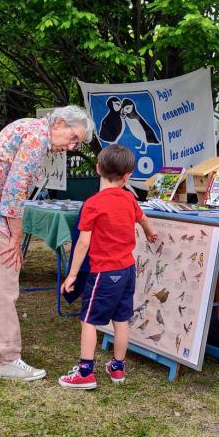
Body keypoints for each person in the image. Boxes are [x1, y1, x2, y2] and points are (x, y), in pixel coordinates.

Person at [0, 106, 94, 381]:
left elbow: (15, 189)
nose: (73, 147)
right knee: (3, 277)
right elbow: (14, 191)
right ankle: (5, 359)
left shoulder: (34, 131)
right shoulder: (38, 137)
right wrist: (15, 237)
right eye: (74, 138)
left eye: (78, 143)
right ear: (59, 122)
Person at [58, 145, 157, 389]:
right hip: (127, 270)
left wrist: (72, 275)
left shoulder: (93, 204)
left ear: (98, 169)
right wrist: (150, 232)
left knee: (89, 320)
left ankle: (85, 373)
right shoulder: (129, 198)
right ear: (128, 176)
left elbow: (83, 242)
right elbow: (142, 218)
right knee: (121, 319)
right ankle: (117, 368)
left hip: (104, 272)